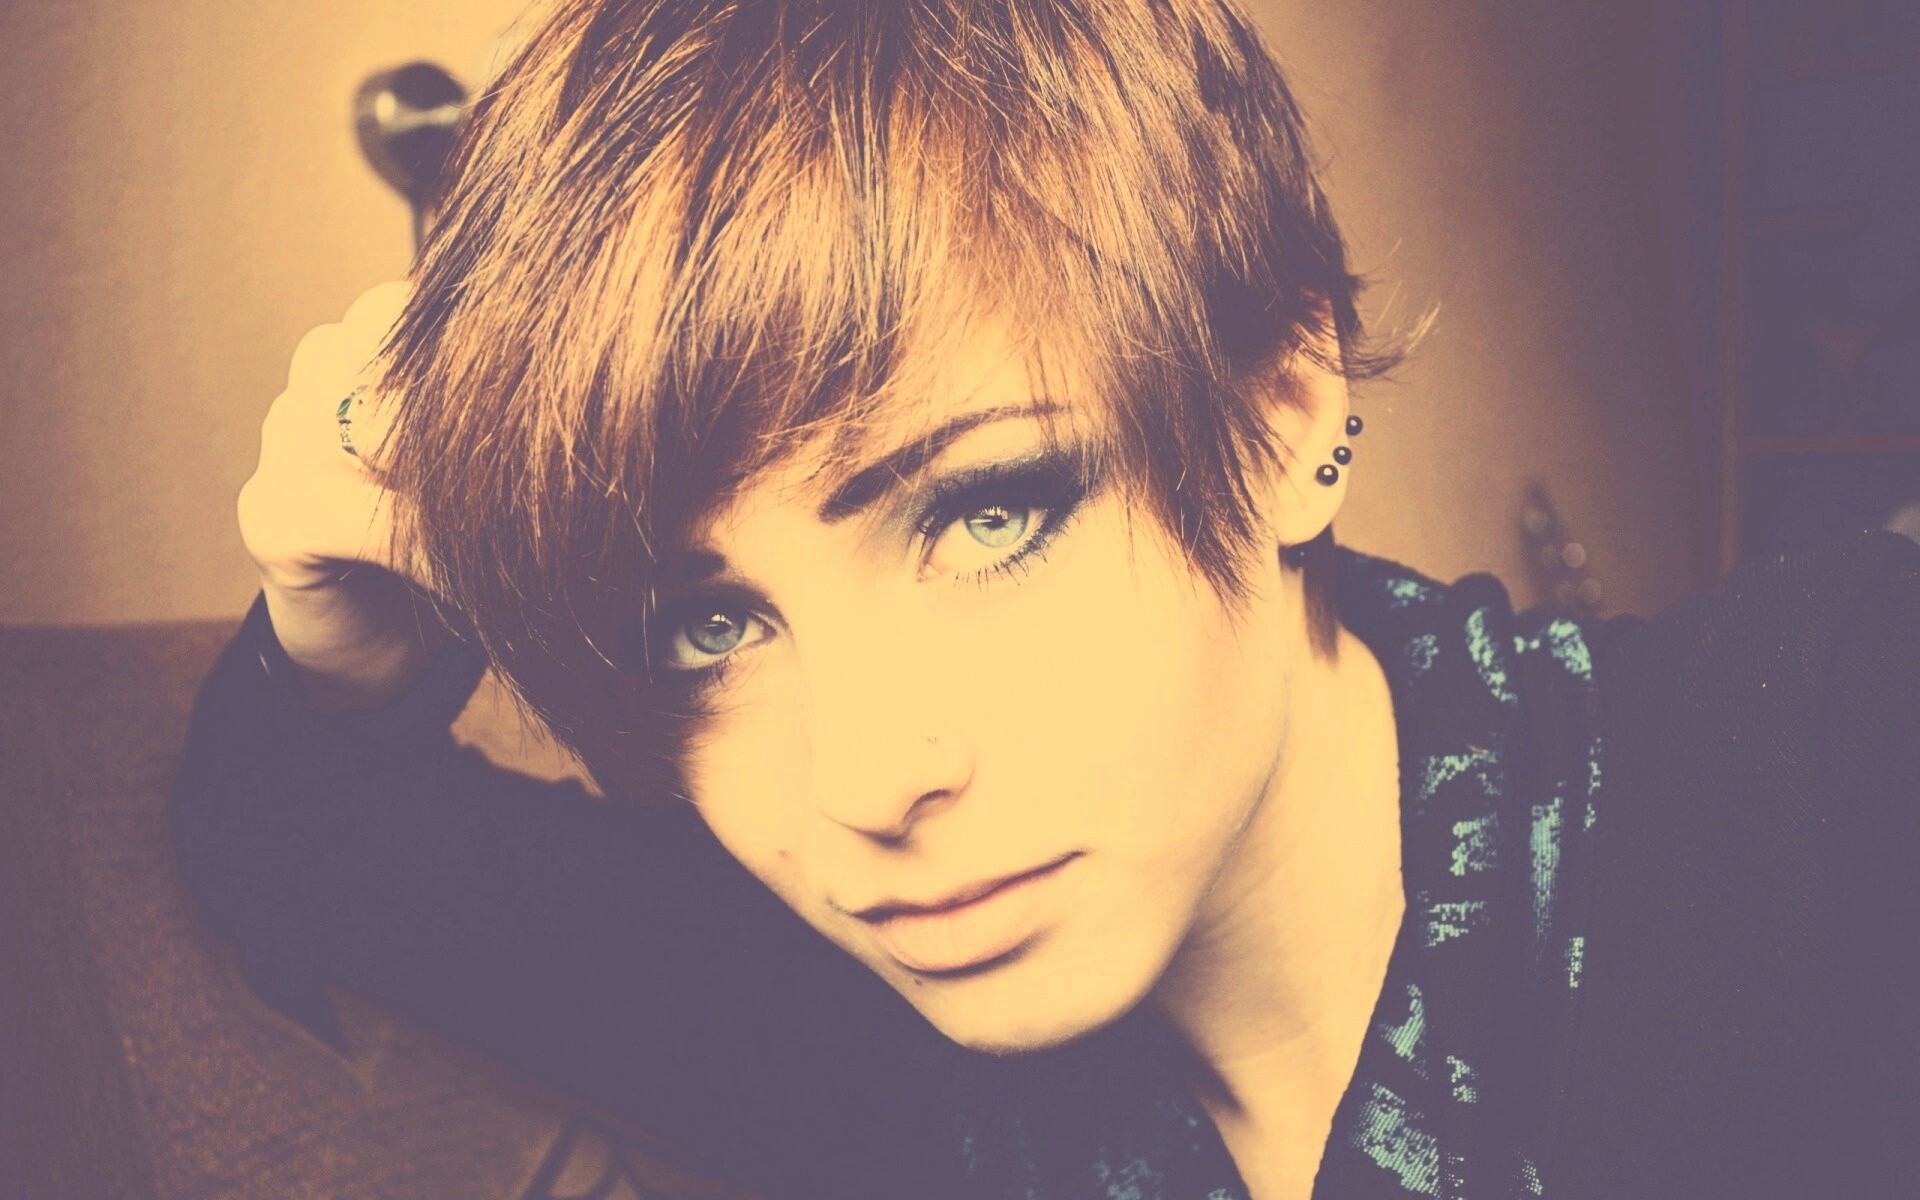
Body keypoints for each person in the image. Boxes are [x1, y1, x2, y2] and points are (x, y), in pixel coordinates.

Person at [171, 1, 1920, 1197]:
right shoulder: (860, 1033)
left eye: (987, 513)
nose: (867, 779)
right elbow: (295, 843)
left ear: (1286, 409)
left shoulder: (1841, 755)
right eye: (707, 624)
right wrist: (346, 642)